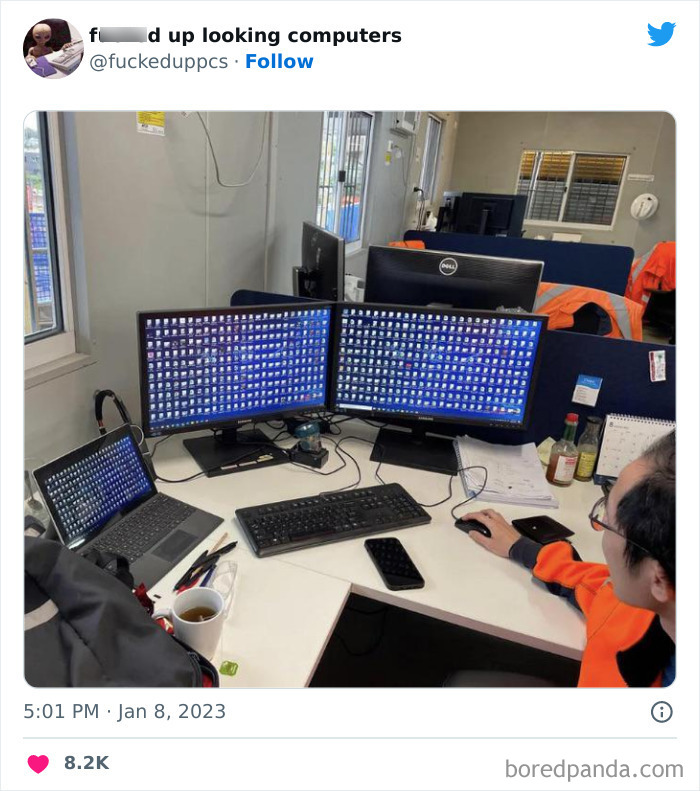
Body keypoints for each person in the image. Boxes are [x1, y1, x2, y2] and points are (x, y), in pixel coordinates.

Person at [458, 431, 675, 687]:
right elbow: (591, 585)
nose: (601, 524)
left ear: (658, 580)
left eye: (608, 521)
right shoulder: (644, 607)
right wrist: (519, 547)